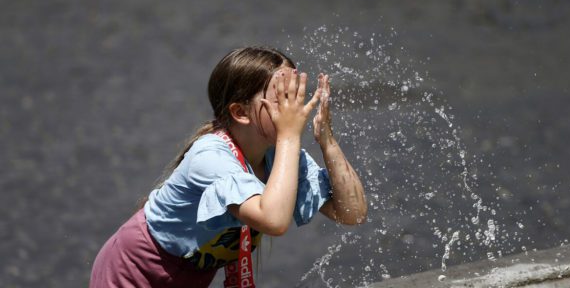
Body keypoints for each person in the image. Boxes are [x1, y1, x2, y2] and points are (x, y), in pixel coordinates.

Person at [90, 46, 367, 287]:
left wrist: (327, 141)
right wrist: (289, 136)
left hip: (191, 275)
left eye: (295, 93)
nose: (295, 107)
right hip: (134, 271)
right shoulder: (210, 158)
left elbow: (351, 213)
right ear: (240, 112)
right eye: (281, 98)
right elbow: (274, 221)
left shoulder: (278, 155)